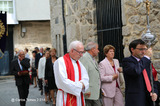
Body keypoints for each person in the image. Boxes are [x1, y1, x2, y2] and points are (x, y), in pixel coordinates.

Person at [122, 39, 158, 106]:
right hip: (136, 99)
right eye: (141, 49)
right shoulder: (127, 61)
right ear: (132, 49)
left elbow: (153, 79)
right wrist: (146, 57)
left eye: (145, 49)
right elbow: (136, 71)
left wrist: (155, 92)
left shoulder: (146, 62)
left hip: (149, 99)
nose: (144, 52)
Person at [54, 40, 89, 106]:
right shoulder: (60, 62)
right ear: (72, 51)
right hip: (65, 96)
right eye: (80, 52)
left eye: (82, 52)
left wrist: (82, 84)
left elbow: (85, 77)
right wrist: (80, 86)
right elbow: (62, 81)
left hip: (78, 97)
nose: (81, 55)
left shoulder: (79, 63)